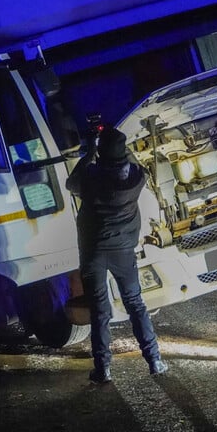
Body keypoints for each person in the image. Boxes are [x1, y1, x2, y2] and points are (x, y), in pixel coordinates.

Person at [66, 126, 168, 384]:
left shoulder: (91, 178)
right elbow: (131, 161)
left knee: (100, 312)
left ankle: (103, 369)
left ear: (101, 155)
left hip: (94, 253)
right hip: (124, 251)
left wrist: (89, 152)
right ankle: (154, 359)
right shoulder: (135, 178)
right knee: (135, 303)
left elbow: (71, 183)